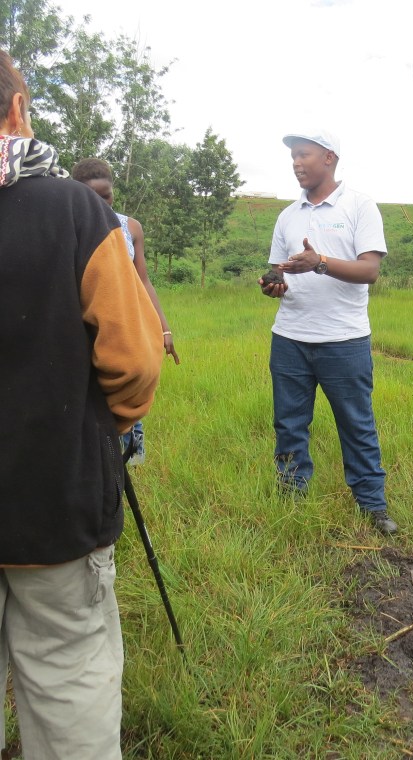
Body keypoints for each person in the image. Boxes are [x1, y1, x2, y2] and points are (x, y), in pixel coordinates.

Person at [0, 50, 164, 759]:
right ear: (15, 110)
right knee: (67, 667)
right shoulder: (76, 209)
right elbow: (133, 360)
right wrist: (103, 430)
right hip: (54, 497)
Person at [259, 129, 397, 535]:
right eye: (293, 158)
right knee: (288, 423)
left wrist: (319, 261)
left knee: (356, 424)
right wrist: (271, 285)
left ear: (330, 158)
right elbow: (277, 269)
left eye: (304, 155)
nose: (297, 163)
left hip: (344, 340)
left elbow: (369, 271)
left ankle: (372, 505)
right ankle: (291, 498)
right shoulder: (287, 215)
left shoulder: (359, 206)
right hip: (289, 336)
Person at [71, 158, 179, 464]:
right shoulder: (68, 227)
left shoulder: (130, 227)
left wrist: (164, 328)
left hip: (125, 326)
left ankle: (129, 460)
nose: (101, 204)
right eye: (92, 197)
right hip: (85, 330)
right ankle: (93, 461)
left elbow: (143, 280)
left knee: (126, 390)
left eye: (106, 196)